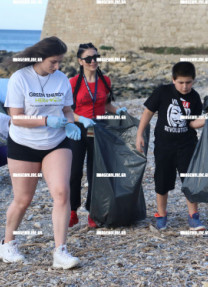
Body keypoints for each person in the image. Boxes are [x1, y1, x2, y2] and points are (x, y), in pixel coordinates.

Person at [0, 36, 81, 269]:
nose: (57, 67)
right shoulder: (20, 79)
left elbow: (67, 109)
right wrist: (46, 119)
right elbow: (16, 117)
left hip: (56, 143)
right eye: (53, 62)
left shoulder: (62, 79)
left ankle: (60, 251)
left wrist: (69, 123)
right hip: (23, 145)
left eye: (60, 62)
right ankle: (7, 243)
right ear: (40, 58)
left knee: (62, 193)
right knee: (23, 200)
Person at [136, 61, 208, 230]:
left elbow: (192, 123)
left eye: (188, 82)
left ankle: (193, 216)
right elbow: (148, 112)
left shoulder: (195, 97)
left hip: (187, 145)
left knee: (190, 180)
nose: (184, 86)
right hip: (164, 145)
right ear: (173, 80)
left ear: (194, 80)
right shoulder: (163, 92)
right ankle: (161, 214)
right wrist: (140, 134)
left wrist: (207, 119)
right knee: (162, 182)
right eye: (181, 82)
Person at [68, 43, 126, 228]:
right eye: (88, 59)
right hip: (78, 129)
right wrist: (81, 119)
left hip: (99, 129)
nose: (93, 61)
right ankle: (72, 210)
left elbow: (107, 104)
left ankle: (93, 211)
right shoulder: (73, 82)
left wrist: (117, 111)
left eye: (96, 57)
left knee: (97, 172)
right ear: (80, 61)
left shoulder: (105, 81)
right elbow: (67, 110)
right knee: (74, 171)